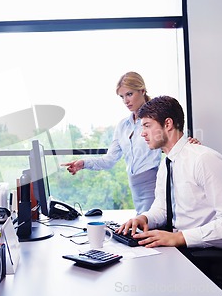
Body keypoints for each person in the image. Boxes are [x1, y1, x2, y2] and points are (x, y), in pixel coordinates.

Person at [117, 95, 222, 287]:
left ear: (168, 124)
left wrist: (179, 237)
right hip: (181, 247)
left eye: (146, 125)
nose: (142, 133)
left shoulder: (204, 160)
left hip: (205, 254)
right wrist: (144, 218)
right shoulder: (167, 162)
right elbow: (162, 209)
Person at [61, 72, 199, 214]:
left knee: (152, 224)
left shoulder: (155, 120)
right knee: (141, 226)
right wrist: (83, 164)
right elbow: (109, 160)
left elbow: (174, 140)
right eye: (122, 97)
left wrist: (189, 144)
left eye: (129, 94)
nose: (126, 101)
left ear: (142, 91)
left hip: (152, 181)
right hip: (134, 186)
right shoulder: (123, 126)